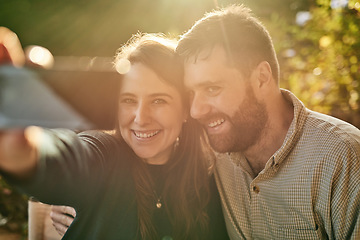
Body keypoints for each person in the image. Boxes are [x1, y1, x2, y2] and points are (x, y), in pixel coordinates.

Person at [0, 33, 229, 240]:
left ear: (185, 109)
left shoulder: (211, 179)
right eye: (129, 100)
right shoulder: (104, 156)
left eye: (158, 100)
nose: (141, 118)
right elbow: (65, 159)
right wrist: (24, 148)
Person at [176, 4, 360, 240]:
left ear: (261, 78)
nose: (195, 110)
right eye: (190, 92)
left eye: (212, 88)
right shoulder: (214, 153)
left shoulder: (343, 158)